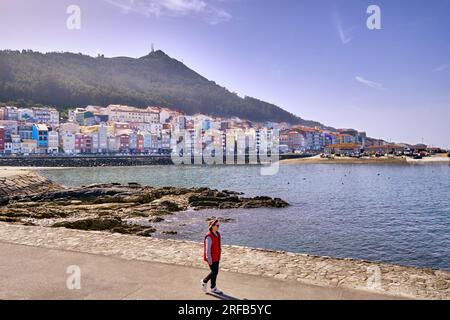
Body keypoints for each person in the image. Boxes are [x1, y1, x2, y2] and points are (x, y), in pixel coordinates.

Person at [201, 218, 223, 294]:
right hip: (211, 257)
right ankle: (204, 281)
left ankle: (213, 287)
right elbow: (207, 250)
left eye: (218, 225)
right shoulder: (209, 236)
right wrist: (209, 259)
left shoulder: (218, 234)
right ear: (212, 226)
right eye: (217, 225)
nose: (218, 226)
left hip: (217, 256)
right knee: (214, 271)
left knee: (215, 272)